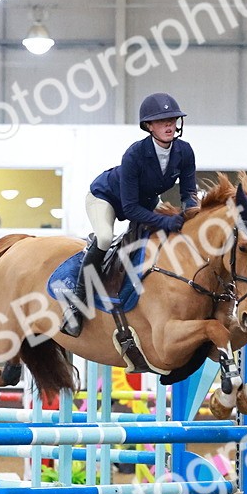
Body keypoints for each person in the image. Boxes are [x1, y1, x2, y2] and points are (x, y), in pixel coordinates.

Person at [60, 92, 197, 337]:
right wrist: (166, 220)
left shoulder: (184, 152)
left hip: (145, 201)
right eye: (162, 120)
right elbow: (131, 209)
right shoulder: (134, 154)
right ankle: (75, 306)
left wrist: (190, 214)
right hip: (107, 197)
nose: (169, 125)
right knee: (104, 238)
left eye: (173, 119)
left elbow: (189, 192)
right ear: (149, 126)